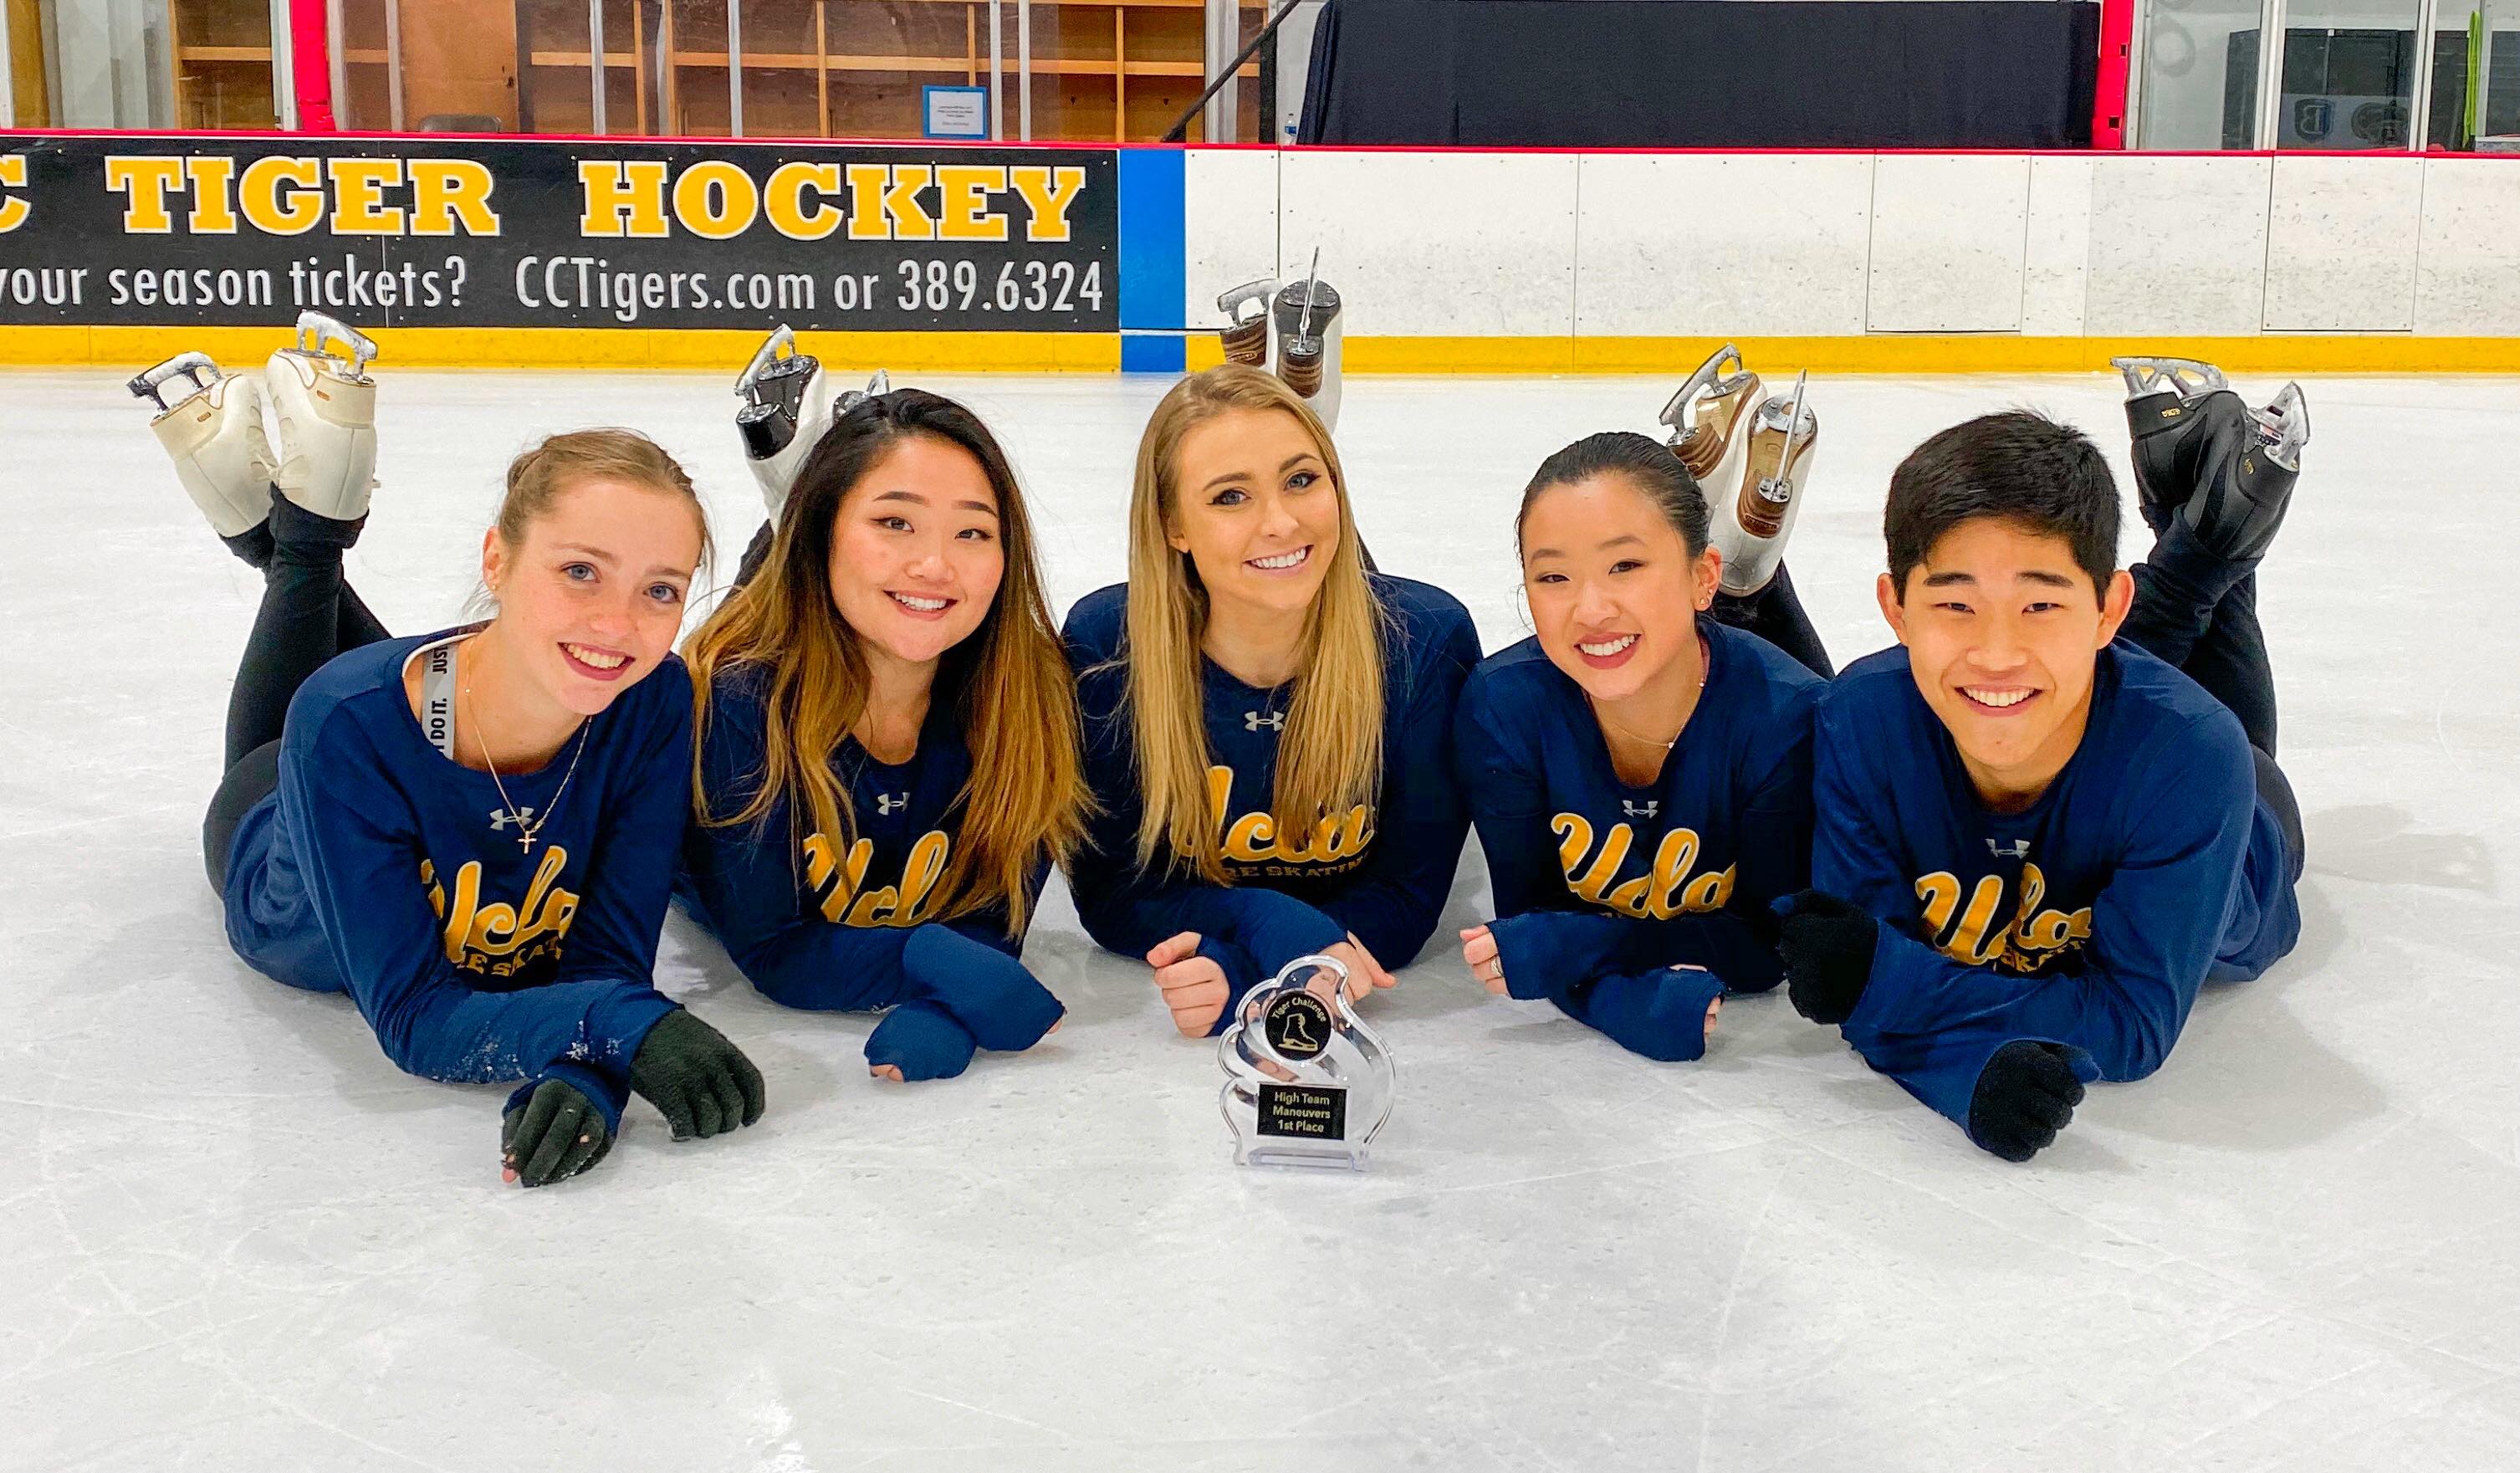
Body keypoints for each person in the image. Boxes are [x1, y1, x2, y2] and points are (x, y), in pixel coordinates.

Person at [144, 316, 764, 1190]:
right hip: (271, 826)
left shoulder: (653, 698)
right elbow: (415, 1018)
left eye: (660, 590)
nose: (619, 623)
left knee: (467, 674)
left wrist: (582, 1068)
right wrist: (626, 1027)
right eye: (580, 570)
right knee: (356, 701)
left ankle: (283, 529)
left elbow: (610, 954)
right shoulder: (346, 722)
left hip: (424, 715)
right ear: (497, 560)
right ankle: (303, 541)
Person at [1775, 364, 2308, 1161]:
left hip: (2245, 826)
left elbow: (2129, 1023)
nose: (1993, 648)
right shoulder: (1861, 718)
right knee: (2043, 683)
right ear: (1895, 609)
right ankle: (2210, 497)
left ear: (2110, 607)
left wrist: (1886, 978)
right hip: (2090, 707)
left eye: (2040, 603)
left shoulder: (2193, 756)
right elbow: (1858, 963)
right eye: (1953, 605)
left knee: (2174, 713)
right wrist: (1959, 1071)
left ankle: (2208, 536)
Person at [679, 374, 1086, 1082]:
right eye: (894, 522)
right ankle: (804, 471)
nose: (935, 563)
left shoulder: (1031, 689)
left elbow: (995, 918)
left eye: (973, 531)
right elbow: (777, 951)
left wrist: (942, 1005)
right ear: (821, 529)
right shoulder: (736, 699)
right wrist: (928, 962)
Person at [1064, 364, 1482, 1037]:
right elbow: (1114, 893)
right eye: (1230, 497)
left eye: (1301, 479)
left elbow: (1407, 893)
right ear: (1174, 524)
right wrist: (1265, 925)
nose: (1281, 522)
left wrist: (1258, 969)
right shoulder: (1105, 647)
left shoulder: (1425, 641)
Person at [1454, 432, 1827, 1061]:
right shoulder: (1503, 706)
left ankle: (1761, 566)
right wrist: (1625, 1007)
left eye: (1625, 566)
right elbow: (1534, 922)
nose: (1590, 608)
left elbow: (1768, 945)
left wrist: (1594, 950)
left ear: (1703, 576)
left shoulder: (1787, 720)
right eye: (1552, 576)